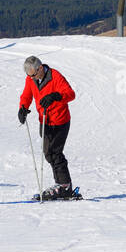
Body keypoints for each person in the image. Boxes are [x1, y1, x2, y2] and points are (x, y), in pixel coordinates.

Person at [18, 55, 79, 200]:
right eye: (29, 76)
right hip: (44, 120)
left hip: (60, 121)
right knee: (49, 153)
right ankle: (61, 185)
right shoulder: (31, 78)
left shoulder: (55, 76)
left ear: (39, 69)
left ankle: (64, 186)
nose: (32, 78)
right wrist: (22, 108)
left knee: (55, 153)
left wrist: (55, 96)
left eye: (33, 75)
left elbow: (71, 94)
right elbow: (27, 95)